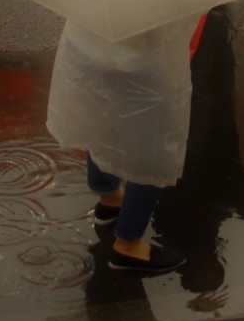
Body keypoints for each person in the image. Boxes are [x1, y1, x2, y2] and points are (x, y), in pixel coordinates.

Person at [46, 16, 201, 272]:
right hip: (142, 57)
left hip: (89, 44)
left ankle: (108, 198)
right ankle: (129, 244)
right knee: (152, 143)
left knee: (102, 114)